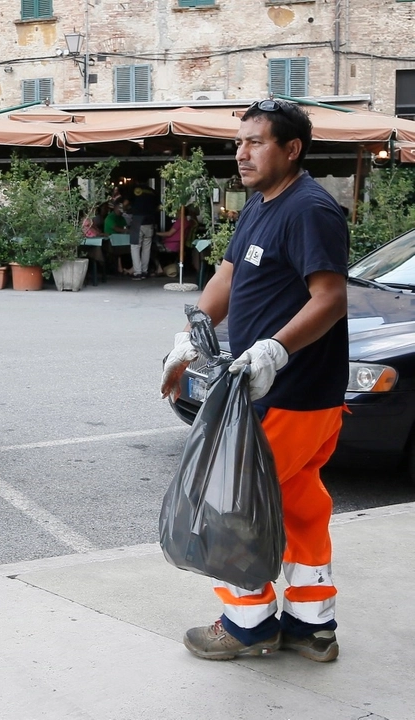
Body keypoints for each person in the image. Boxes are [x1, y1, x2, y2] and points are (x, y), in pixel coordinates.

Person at [160, 98, 349, 663]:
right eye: (238, 142)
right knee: (300, 505)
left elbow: (331, 298)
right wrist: (191, 336)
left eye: (256, 142)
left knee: (233, 505)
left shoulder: (310, 208)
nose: (241, 153)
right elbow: (230, 273)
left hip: (287, 393)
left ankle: (246, 624)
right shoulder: (260, 206)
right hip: (286, 395)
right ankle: (311, 623)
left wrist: (274, 348)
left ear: (291, 149)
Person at [125, 180, 159, 279]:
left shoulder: (134, 189)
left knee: (135, 247)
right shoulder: (152, 191)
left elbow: (125, 203)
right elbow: (159, 207)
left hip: (137, 221)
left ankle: (138, 272)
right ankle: (144, 271)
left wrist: (128, 209)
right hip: (150, 221)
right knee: (146, 247)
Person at [103, 199, 132, 275]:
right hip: (111, 241)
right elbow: (117, 228)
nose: (121, 209)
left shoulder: (122, 218)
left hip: (123, 240)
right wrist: (126, 231)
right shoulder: (110, 218)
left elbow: (125, 227)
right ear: (115, 208)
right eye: (119, 207)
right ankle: (120, 269)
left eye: (122, 207)